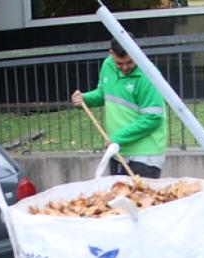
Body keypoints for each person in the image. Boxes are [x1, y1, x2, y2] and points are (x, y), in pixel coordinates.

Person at [71, 34, 167, 179]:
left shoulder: (149, 75)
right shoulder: (107, 64)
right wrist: (84, 99)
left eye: (130, 62)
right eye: (120, 63)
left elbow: (153, 118)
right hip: (118, 150)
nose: (125, 67)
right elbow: (104, 93)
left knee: (142, 194)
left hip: (145, 156)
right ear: (111, 53)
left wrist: (117, 137)